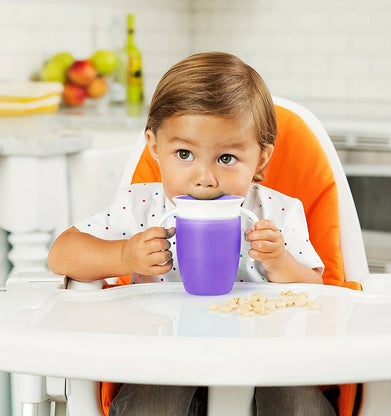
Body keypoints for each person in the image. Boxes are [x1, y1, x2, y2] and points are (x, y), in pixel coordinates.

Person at [48, 52, 335, 416]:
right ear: (155, 147)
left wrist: (279, 261)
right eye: (184, 153)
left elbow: (317, 292)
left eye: (226, 158)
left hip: (268, 355)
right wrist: (123, 255)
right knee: (150, 406)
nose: (205, 178)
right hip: (161, 353)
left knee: (300, 404)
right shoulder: (141, 208)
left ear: (261, 158)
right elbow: (61, 253)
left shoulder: (277, 213)